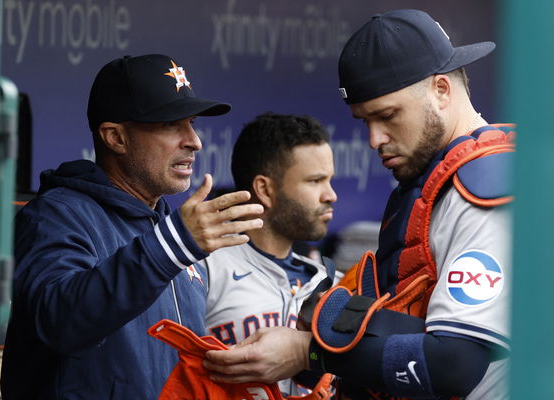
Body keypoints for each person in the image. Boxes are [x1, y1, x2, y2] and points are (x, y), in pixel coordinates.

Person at [204, 9, 513, 400]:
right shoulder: (435, 183)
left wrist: (310, 352)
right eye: (363, 121)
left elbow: (455, 364)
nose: (374, 139)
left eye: (386, 116)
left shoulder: (487, 191)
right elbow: (414, 329)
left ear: (441, 89)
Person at [0, 53, 264, 399]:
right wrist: (172, 246)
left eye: (192, 124)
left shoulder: (168, 228)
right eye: (172, 124)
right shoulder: (57, 216)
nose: (194, 141)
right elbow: (61, 323)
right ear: (115, 138)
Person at [202, 113, 338, 395]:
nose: (330, 195)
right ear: (265, 189)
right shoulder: (206, 270)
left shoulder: (333, 282)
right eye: (315, 181)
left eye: (329, 180)